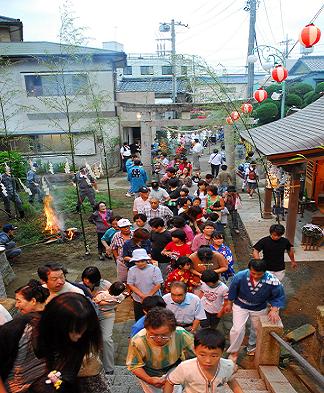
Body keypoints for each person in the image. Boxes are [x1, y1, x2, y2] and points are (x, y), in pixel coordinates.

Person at [0, 292, 102, 393]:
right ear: (55, 324)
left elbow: (67, 375)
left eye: (83, 331)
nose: (78, 337)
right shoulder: (19, 330)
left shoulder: (79, 342)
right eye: (73, 331)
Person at [225, 259, 285, 362]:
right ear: (249, 269)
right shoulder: (240, 276)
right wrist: (229, 303)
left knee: (257, 329)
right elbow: (233, 290)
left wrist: (274, 309)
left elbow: (278, 295)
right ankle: (234, 352)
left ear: (265, 272)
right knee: (237, 329)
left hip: (259, 306)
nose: (256, 276)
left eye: (259, 274)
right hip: (240, 305)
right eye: (253, 273)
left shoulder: (272, 280)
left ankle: (252, 346)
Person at [126, 308, 195, 392]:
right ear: (146, 329)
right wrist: (149, 379)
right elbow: (134, 365)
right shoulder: (137, 341)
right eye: (153, 335)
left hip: (174, 369)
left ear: (173, 330)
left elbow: (196, 354)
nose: (159, 339)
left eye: (164, 335)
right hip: (149, 374)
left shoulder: (181, 334)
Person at [164, 328, 241, 393]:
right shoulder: (185, 367)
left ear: (222, 352)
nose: (208, 360)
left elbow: (232, 382)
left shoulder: (227, 366)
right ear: (195, 350)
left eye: (214, 356)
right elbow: (170, 381)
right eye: (202, 355)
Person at [81, 266, 123, 375]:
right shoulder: (80, 287)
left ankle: (109, 368)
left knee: (106, 339)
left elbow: (120, 297)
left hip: (106, 314)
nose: (86, 282)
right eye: (84, 279)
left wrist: (108, 302)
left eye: (89, 280)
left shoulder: (106, 285)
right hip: (88, 316)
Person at [127, 249, 163, 321]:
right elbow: (130, 284)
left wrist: (148, 295)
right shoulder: (132, 270)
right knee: (140, 318)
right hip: (138, 299)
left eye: (142, 261)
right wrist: (142, 295)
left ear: (146, 260)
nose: (140, 263)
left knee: (156, 318)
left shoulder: (155, 269)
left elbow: (158, 284)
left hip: (154, 298)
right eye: (137, 261)